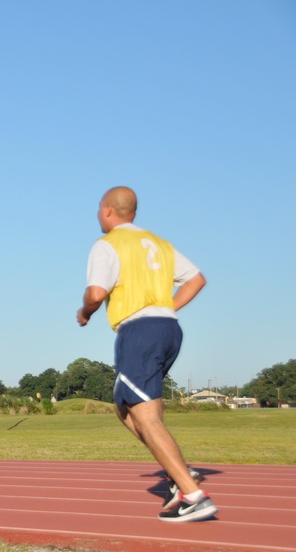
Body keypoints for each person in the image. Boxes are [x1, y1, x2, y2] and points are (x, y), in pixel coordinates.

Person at [77, 186, 217, 523]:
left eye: (99, 208)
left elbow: (96, 293)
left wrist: (85, 312)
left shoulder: (107, 245)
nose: (98, 214)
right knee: (126, 409)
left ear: (109, 211)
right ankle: (177, 472)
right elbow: (196, 280)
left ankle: (193, 494)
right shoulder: (158, 243)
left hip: (139, 331)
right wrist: (165, 308)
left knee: (145, 415)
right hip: (169, 329)